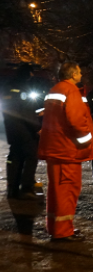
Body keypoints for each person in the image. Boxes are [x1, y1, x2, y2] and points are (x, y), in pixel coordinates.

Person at [38, 62, 93, 242]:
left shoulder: (55, 90)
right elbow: (76, 121)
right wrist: (86, 142)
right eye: (79, 72)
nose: (81, 74)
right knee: (67, 191)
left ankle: (55, 227)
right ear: (73, 74)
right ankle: (63, 231)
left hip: (55, 149)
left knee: (56, 191)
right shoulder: (71, 91)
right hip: (67, 151)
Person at [1, 64, 45, 200]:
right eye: (31, 73)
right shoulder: (23, 87)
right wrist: (38, 127)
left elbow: (13, 109)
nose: (32, 76)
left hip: (11, 128)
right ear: (27, 74)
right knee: (32, 155)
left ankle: (12, 188)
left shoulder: (8, 86)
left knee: (15, 157)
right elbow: (25, 111)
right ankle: (26, 187)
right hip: (25, 130)